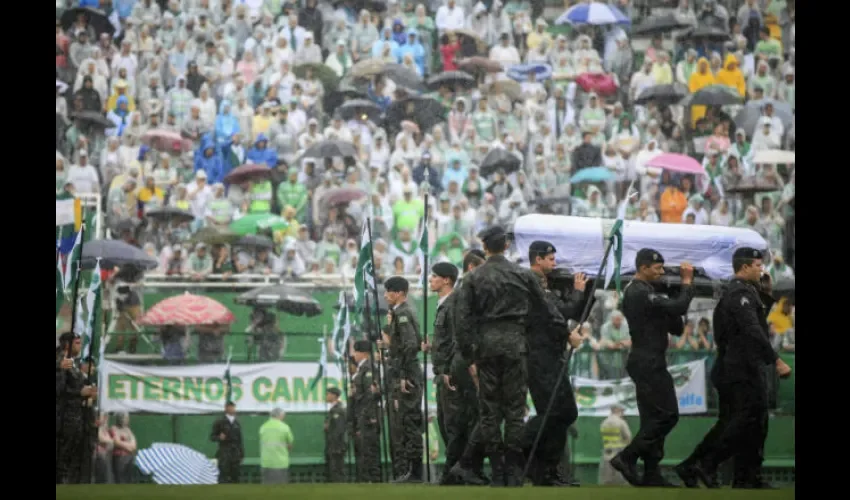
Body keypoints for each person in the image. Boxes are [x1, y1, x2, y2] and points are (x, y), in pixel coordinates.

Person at [451, 226, 566, 487]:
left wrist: (469, 355)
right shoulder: (522, 275)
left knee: (490, 409)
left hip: (486, 347)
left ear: (485, 247)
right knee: (515, 409)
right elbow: (547, 311)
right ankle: (513, 470)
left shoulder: (472, 278)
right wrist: (561, 333)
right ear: (506, 246)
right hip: (516, 345)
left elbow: (462, 321)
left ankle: (497, 469)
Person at [675, 248, 791, 489]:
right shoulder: (738, 293)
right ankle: (709, 464)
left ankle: (728, 472)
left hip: (739, 366)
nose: (762, 269)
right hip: (741, 368)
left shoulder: (746, 292)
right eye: (758, 265)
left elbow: (754, 323)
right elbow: (752, 330)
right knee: (746, 421)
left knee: (741, 422)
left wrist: (766, 294)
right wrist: (776, 360)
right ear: (745, 267)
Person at [611, 249, 695, 487]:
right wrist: (687, 283)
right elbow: (678, 308)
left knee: (652, 418)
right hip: (647, 361)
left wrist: (671, 293)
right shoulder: (638, 291)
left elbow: (676, 327)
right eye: (657, 268)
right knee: (668, 415)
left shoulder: (651, 293)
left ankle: (651, 472)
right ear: (643, 268)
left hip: (650, 360)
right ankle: (627, 457)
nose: (661, 271)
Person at [521, 240, 585, 486]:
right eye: (550, 259)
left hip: (548, 357)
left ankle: (544, 470)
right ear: (538, 259)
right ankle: (521, 445)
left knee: (561, 413)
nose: (554, 263)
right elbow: (557, 314)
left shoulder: (543, 285)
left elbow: (563, 312)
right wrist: (578, 292)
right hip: (540, 359)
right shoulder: (533, 283)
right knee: (559, 412)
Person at [384, 276, 425, 483]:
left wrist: (402, 375)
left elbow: (409, 345)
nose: (385, 295)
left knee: (410, 422)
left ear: (399, 292)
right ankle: (412, 471)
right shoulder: (398, 314)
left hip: (408, 374)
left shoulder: (403, 314)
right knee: (407, 421)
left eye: (388, 291)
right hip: (407, 371)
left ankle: (416, 472)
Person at [429, 261, 465, 483]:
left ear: (447, 280)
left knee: (453, 425)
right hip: (441, 374)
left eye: (435, 276)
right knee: (444, 424)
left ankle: (454, 472)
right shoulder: (442, 304)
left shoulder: (452, 304)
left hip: (450, 374)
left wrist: (449, 370)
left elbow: (456, 340)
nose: (431, 280)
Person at [56, 332, 97, 484]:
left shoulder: (71, 363)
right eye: (77, 343)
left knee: (70, 456)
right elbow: (59, 390)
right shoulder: (61, 362)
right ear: (68, 345)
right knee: (62, 456)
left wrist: (88, 393)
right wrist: (79, 393)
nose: (79, 346)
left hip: (75, 416)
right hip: (64, 418)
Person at [350, 339, 382, 483]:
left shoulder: (368, 369)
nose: (353, 355)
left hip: (368, 416)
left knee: (370, 450)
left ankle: (374, 479)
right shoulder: (361, 369)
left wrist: (370, 416)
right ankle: (367, 479)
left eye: (355, 351)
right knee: (364, 449)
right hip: (362, 414)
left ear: (363, 353)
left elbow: (370, 395)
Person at [210, 401, 245, 484]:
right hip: (224, 452)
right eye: (230, 407)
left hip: (235, 453)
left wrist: (241, 453)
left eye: (233, 407)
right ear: (226, 408)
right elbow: (212, 437)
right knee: (224, 475)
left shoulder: (237, 422)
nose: (233, 409)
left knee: (235, 475)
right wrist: (219, 437)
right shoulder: (220, 421)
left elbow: (240, 440)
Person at [259, 407, 294, 484]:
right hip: (280, 464)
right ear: (280, 416)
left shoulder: (263, 427)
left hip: (266, 463)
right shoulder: (285, 427)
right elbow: (290, 445)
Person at [599, 404, 632, 485]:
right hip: (619, 450)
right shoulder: (621, 422)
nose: (623, 413)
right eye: (622, 411)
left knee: (607, 473)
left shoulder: (604, 422)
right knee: (620, 474)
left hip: (607, 450)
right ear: (617, 410)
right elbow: (628, 437)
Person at [324, 387, 347, 483]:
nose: (326, 396)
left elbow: (339, 429)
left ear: (334, 395)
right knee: (332, 468)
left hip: (337, 445)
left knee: (336, 469)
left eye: (328, 394)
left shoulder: (338, 410)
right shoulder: (333, 409)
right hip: (332, 444)